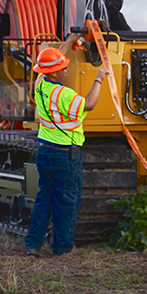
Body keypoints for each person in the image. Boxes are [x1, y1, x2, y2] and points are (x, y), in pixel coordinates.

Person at [24, 34, 108, 257]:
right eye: (62, 68)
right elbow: (89, 103)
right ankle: (62, 249)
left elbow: (49, 63)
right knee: (66, 201)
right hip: (65, 155)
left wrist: (68, 42)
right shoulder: (64, 94)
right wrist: (99, 78)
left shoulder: (40, 85)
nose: (67, 71)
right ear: (53, 72)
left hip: (45, 151)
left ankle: (33, 244)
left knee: (44, 198)